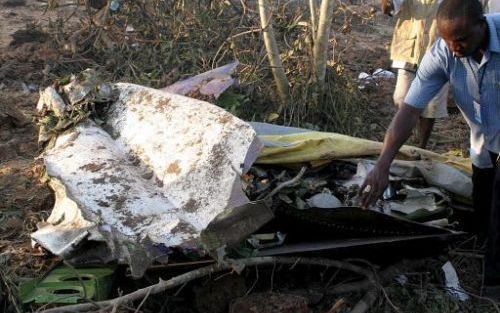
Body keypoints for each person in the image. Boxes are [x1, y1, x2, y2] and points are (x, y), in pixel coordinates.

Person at [360, 0, 500, 294]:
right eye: (448, 39)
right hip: (483, 137)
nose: (454, 47)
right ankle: (482, 242)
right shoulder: (442, 53)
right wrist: (383, 164)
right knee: (483, 196)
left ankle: (493, 284)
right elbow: (410, 110)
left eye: (461, 39)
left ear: (481, 24)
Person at [382, 0, 449, 149]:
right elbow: (388, 8)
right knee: (401, 99)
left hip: (438, 52)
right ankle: (402, 140)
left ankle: (421, 147)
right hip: (409, 51)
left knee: (431, 106)